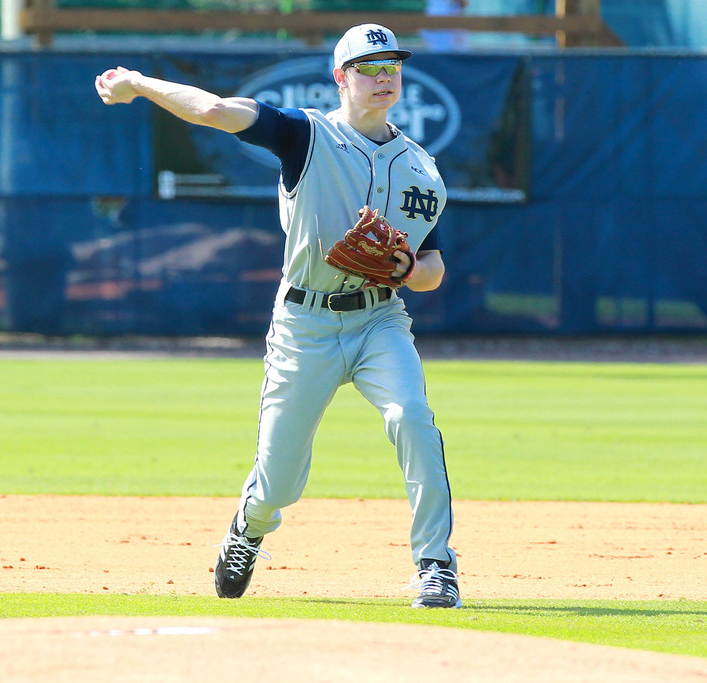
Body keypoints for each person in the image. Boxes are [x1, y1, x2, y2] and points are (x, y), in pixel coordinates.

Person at [95, 23, 459, 609]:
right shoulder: (304, 136)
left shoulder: (421, 167)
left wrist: (406, 270)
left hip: (379, 320)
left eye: (391, 65)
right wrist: (138, 83)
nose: (383, 76)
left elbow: (435, 267)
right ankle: (250, 527)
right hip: (305, 324)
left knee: (412, 416)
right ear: (341, 78)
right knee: (279, 480)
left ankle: (436, 566)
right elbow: (213, 109)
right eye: (368, 67)